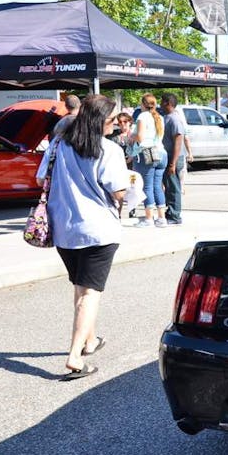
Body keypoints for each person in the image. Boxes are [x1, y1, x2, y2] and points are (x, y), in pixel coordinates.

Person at [35, 94, 128, 380]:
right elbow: (119, 191)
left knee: (80, 288)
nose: (116, 125)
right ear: (100, 121)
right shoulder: (108, 150)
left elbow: (41, 179)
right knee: (90, 294)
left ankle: (89, 341)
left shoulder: (58, 145)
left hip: (64, 229)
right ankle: (75, 356)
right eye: (113, 120)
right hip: (98, 229)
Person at [132, 93, 168, 227]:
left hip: (147, 153)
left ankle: (148, 219)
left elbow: (140, 138)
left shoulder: (142, 116)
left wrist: (132, 137)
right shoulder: (159, 117)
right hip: (161, 153)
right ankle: (161, 218)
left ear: (143, 104)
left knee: (147, 186)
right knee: (158, 186)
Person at [161, 93, 186, 225]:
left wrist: (173, 163)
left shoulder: (174, 120)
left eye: (162, 102)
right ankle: (170, 212)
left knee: (173, 187)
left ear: (168, 103)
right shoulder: (167, 118)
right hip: (169, 157)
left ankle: (175, 216)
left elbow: (178, 141)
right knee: (169, 186)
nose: (160, 104)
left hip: (174, 158)